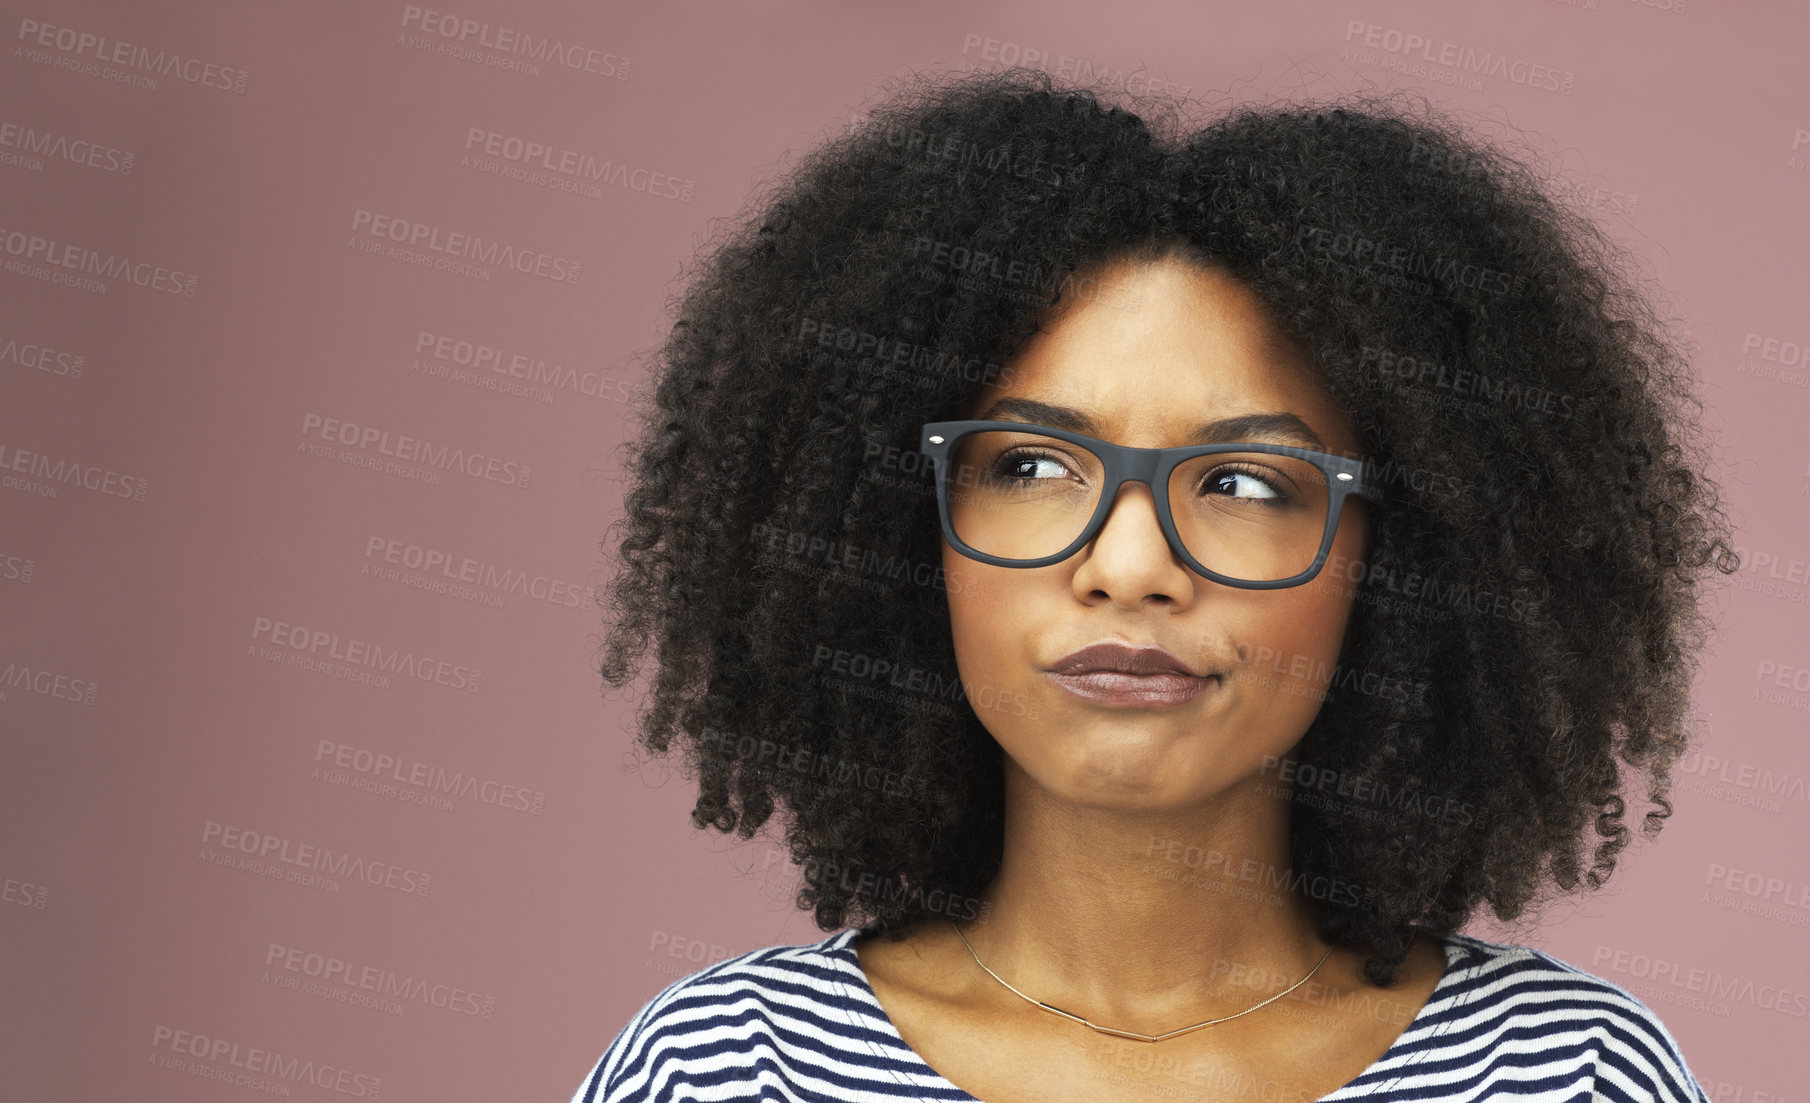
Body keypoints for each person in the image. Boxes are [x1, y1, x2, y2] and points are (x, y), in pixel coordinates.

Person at [572, 66, 1736, 1102]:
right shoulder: (723, 1070)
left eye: (1241, 481)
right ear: (887, 532)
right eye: (1029, 465)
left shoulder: (1568, 1074)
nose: (1129, 567)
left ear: (1402, 562)